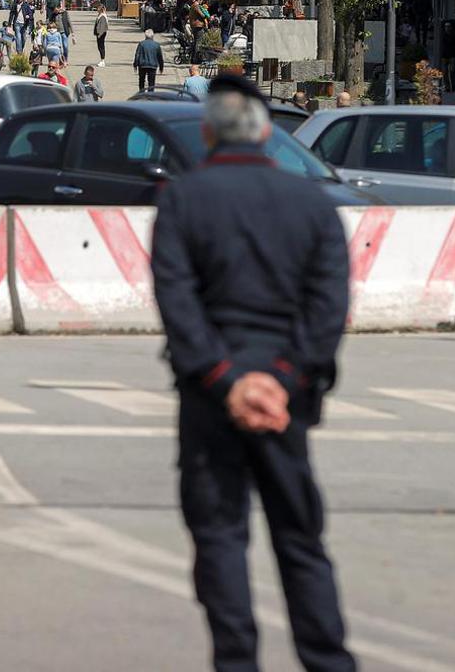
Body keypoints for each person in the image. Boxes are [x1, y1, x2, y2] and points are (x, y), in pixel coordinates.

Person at [151, 75, 357, 672]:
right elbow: (329, 308)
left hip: (213, 398)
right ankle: (328, 661)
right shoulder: (312, 204)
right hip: (284, 400)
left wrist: (226, 379)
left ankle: (236, 662)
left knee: (219, 538)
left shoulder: (184, 200)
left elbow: (178, 302)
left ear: (210, 132)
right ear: (268, 132)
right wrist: (282, 380)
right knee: (300, 540)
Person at [134, 28, 165, 93]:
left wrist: (135, 65)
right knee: (151, 82)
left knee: (141, 80)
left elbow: (137, 55)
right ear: (152, 36)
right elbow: (160, 57)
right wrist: (161, 67)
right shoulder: (156, 45)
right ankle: (150, 94)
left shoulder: (141, 44)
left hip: (142, 65)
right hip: (152, 66)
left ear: (145, 36)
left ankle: (141, 93)